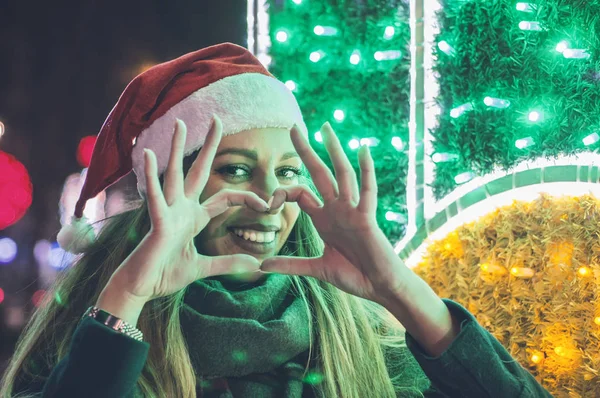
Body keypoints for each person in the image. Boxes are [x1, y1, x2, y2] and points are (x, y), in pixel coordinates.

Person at [0, 43, 552, 398]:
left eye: (287, 170)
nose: (269, 197)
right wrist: (128, 297)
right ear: (169, 189)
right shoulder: (92, 329)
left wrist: (398, 288)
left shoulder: (360, 335)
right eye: (237, 171)